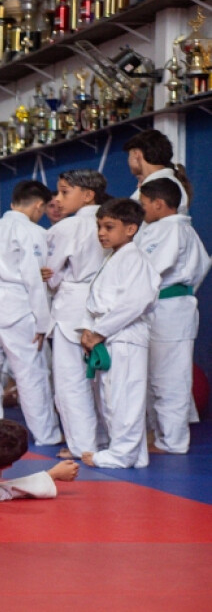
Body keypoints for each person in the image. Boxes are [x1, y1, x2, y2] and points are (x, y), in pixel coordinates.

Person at [0, 181, 62, 445]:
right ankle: (46, 435)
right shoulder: (33, 232)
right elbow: (34, 279)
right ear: (38, 205)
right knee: (30, 373)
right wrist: (43, 322)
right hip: (16, 306)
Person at [79, 199, 160, 469]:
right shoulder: (114, 257)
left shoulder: (134, 258)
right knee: (111, 397)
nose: (101, 232)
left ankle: (121, 454)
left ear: (130, 229)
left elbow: (135, 302)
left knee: (124, 398)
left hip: (125, 334)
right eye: (99, 226)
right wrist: (89, 329)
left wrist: (99, 331)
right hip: (112, 333)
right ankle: (131, 453)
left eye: (109, 227)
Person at [136, 179, 211, 455]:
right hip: (166, 308)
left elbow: (150, 270)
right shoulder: (169, 229)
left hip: (169, 309)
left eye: (144, 205)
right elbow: (203, 265)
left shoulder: (173, 230)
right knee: (157, 378)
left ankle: (174, 441)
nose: (142, 211)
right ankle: (160, 435)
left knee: (170, 379)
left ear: (158, 204)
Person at [43, 170, 108, 461]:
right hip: (106, 306)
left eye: (64, 191)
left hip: (72, 308)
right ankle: (105, 439)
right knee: (103, 382)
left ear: (87, 194)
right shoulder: (113, 221)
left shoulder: (69, 227)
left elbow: (50, 272)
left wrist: (51, 279)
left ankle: (83, 445)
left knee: (72, 382)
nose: (57, 199)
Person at [125, 128, 191, 214]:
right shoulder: (171, 182)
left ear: (136, 154)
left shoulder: (152, 190)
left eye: (129, 155)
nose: (128, 160)